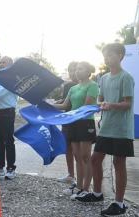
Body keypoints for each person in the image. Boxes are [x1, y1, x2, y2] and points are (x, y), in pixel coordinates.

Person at [76, 43, 135, 216]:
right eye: (105, 56)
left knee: (118, 163)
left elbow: (127, 103)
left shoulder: (126, 77)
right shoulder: (103, 78)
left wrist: (110, 105)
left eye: (110, 55)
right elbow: (100, 100)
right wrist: (100, 104)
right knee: (95, 160)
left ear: (120, 55)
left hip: (122, 129)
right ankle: (97, 193)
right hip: (106, 127)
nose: (107, 58)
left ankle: (119, 203)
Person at [54, 61, 98, 200]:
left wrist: (70, 114)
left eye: (81, 69)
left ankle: (86, 188)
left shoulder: (93, 85)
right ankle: (79, 187)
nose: (77, 71)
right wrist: (48, 106)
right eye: (77, 69)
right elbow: (66, 105)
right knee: (77, 156)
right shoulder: (73, 88)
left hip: (86, 123)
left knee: (86, 156)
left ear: (88, 71)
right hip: (73, 123)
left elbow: (86, 106)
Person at [57, 61, 78, 184]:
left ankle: (78, 178)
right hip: (67, 121)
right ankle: (71, 174)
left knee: (77, 151)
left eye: (75, 69)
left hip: (78, 121)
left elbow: (67, 104)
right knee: (68, 149)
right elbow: (65, 102)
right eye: (70, 70)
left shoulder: (86, 85)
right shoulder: (68, 86)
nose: (72, 72)